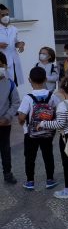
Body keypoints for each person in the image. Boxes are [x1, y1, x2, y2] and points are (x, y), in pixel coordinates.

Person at [17, 67, 60, 190]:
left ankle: (30, 181)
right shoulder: (52, 96)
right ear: (46, 79)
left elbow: (22, 116)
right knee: (48, 155)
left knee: (30, 157)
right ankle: (50, 179)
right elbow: (58, 110)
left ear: (29, 80)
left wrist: (21, 122)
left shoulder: (28, 97)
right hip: (48, 131)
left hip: (30, 134)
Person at [0, 51, 20, 184]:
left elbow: (15, 102)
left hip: (4, 124)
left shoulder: (10, 84)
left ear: (5, 66)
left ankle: (7, 173)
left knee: (5, 149)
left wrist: (7, 117)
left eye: (1, 65)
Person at [0, 4, 25, 85]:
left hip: (13, 60)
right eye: (2, 15)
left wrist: (21, 44)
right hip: (2, 62)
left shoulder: (13, 29)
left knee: (13, 84)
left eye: (7, 14)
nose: (6, 17)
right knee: (4, 85)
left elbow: (15, 43)